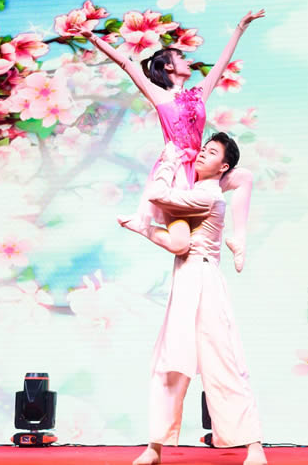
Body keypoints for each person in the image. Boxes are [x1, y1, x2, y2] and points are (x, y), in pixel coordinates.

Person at [80, 9, 265, 272]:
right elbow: (126, 64)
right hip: (177, 171)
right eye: (181, 58)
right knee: (181, 245)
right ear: (168, 66)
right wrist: (93, 38)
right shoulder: (158, 95)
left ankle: (239, 240)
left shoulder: (199, 94)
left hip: (200, 170)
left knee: (244, 176)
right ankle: (142, 225)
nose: (188, 62)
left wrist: (240, 27)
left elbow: (222, 64)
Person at [131, 133, 267, 465]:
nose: (203, 154)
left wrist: (168, 161)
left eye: (212, 152)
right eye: (203, 149)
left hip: (205, 281)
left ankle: (254, 448)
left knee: (223, 362)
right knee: (170, 363)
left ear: (224, 167)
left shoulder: (209, 196)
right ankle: (154, 447)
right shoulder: (193, 189)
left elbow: (158, 195)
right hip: (185, 281)